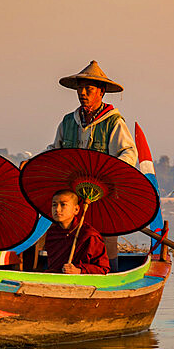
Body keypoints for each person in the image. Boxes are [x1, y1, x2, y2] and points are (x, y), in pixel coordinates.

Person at [50, 60, 137, 270]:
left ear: (101, 91)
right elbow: (56, 151)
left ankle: (111, 276)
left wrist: (109, 173)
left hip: (104, 195)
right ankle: (68, 273)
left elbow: (129, 153)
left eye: (89, 88)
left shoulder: (113, 121)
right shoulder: (68, 121)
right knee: (68, 238)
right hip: (72, 196)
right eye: (80, 88)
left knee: (104, 240)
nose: (83, 93)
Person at [42, 189, 109, 275]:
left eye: (63, 205)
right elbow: (52, 266)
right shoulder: (52, 233)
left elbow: (103, 269)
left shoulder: (89, 234)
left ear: (76, 209)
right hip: (56, 279)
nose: (57, 209)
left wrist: (79, 270)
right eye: (54, 205)